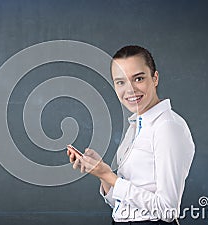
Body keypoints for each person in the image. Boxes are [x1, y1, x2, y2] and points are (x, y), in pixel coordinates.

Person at [67, 45, 195, 225]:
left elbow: (168, 209)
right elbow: (123, 205)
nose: (130, 90)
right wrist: (102, 174)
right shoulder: (136, 125)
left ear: (155, 78)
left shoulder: (167, 127)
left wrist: (109, 176)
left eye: (139, 78)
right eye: (120, 82)